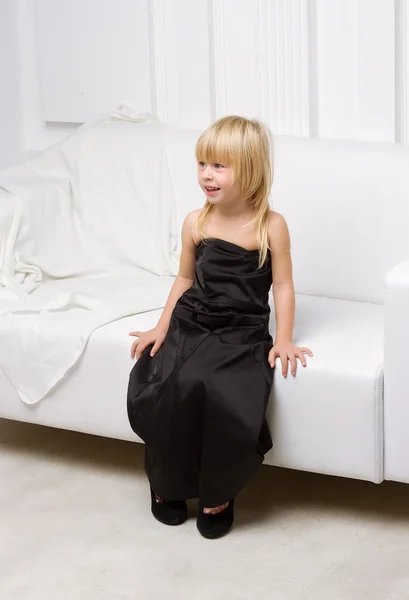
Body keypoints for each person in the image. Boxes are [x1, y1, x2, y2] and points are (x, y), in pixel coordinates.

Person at [127, 115, 313, 539]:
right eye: (202, 164)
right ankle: (167, 483)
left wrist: (284, 337)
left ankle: (219, 491)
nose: (206, 175)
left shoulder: (271, 225)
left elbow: (282, 285)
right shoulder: (196, 221)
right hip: (193, 321)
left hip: (241, 330)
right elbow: (185, 280)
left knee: (223, 389)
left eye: (219, 166)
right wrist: (161, 326)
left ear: (249, 171)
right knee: (170, 382)